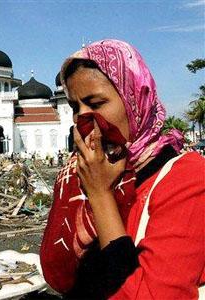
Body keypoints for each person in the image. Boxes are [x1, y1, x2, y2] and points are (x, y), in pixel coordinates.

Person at [40, 39, 205, 299]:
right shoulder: (87, 171)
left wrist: (101, 195)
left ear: (134, 100)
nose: (82, 118)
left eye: (95, 104)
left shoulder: (186, 177)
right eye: (75, 106)